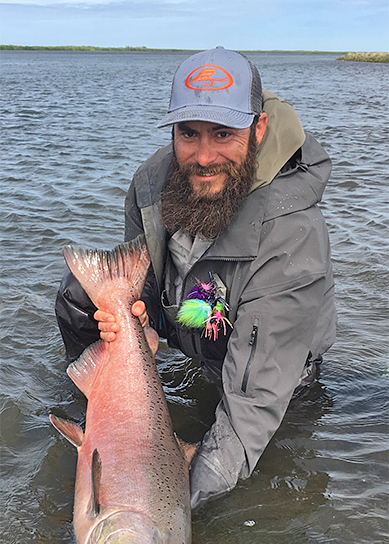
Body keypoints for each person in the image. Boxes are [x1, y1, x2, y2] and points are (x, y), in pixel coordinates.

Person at [56, 47, 337, 510]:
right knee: (78, 296)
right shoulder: (151, 182)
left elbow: (252, 404)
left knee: (232, 478)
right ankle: (97, 410)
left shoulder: (293, 235)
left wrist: (163, 507)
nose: (203, 156)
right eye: (189, 133)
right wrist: (131, 315)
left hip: (268, 372)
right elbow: (140, 277)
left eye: (223, 133)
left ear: (258, 128)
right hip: (190, 322)